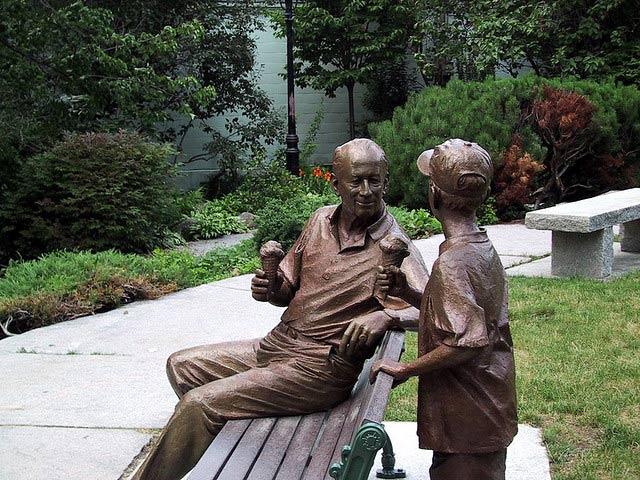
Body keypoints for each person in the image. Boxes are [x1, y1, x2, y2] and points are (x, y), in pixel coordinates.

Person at [131, 138, 428, 480]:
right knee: (183, 368)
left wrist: (385, 315)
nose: (366, 191)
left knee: (199, 405)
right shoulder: (319, 221)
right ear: (335, 185)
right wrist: (271, 287)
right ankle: (229, 440)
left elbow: (433, 307)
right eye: (355, 181)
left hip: (318, 368)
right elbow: (286, 288)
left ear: (385, 182)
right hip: (276, 346)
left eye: (374, 181)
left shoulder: (394, 245)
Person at [372, 139, 517, 480]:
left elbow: (465, 341)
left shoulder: (452, 262)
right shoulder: (480, 246)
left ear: (434, 195)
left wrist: (406, 369)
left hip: (470, 413)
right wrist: (409, 292)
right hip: (482, 406)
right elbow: (464, 318)